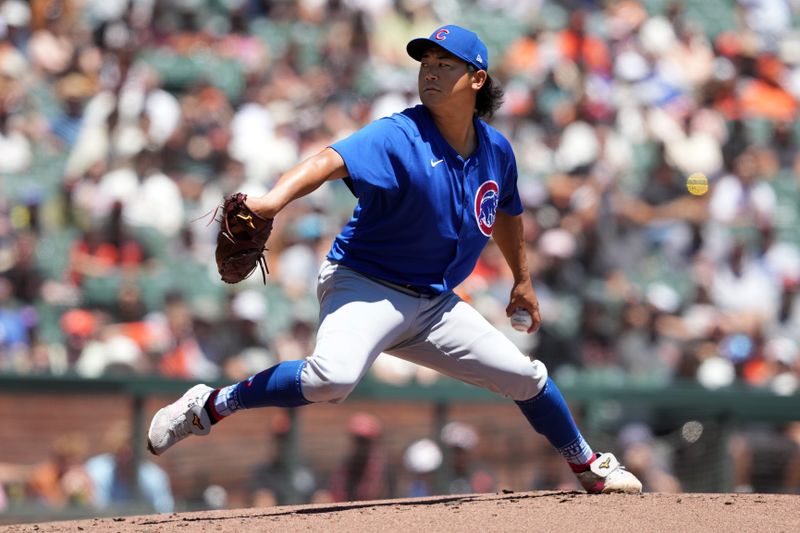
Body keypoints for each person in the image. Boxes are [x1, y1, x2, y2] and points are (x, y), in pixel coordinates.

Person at [147, 24, 642, 495]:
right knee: (331, 379)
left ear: (477, 78)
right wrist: (274, 201)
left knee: (526, 376)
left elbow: (507, 212)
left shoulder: (497, 151)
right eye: (426, 61)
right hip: (365, 284)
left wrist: (522, 281)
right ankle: (207, 406)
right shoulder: (399, 134)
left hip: (434, 304)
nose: (429, 71)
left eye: (445, 63)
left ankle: (588, 465)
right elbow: (327, 161)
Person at [86, 422, 174, 514]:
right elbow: (94, 511)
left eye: (129, 455)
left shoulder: (154, 478)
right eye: (120, 454)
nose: (125, 460)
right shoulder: (96, 471)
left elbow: (164, 512)